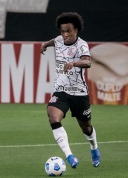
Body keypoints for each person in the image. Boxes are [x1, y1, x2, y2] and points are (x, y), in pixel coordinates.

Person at [40, 12, 101, 168]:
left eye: (69, 30)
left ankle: (94, 147)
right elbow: (55, 41)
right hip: (61, 90)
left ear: (76, 30)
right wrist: (45, 44)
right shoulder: (59, 40)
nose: (65, 34)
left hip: (79, 93)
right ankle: (69, 156)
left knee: (86, 128)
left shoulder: (81, 45)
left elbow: (87, 62)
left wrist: (74, 63)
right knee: (53, 116)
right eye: (62, 31)